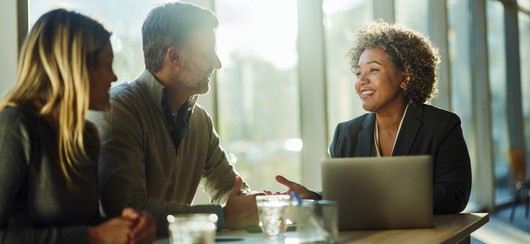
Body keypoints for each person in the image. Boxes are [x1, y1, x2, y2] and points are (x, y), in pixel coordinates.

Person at [87, 2, 259, 235]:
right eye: (207, 54)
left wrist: (253, 203)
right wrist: (222, 216)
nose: (217, 63)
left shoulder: (200, 121)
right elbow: (126, 209)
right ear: (174, 56)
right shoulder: (118, 110)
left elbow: (228, 187)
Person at [274, 20, 472, 214]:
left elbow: (454, 197)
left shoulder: (442, 126)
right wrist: (315, 198)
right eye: (358, 72)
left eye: (374, 70)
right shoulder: (345, 134)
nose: (361, 81)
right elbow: (345, 196)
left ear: (405, 78)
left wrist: (379, 196)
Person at [0, 9, 157, 244]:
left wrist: (129, 225)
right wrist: (93, 236)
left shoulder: (86, 135)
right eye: (108, 64)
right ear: (77, 68)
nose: (114, 77)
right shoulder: (15, 125)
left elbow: (86, 224)